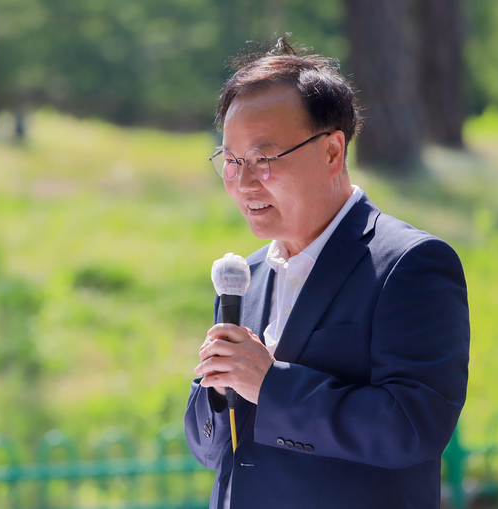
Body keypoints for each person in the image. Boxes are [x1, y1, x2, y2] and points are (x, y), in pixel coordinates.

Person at [184, 38, 470, 509]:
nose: (245, 182)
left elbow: (413, 427)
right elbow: (211, 450)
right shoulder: (244, 276)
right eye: (232, 161)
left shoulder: (410, 263)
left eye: (264, 158)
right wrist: (219, 389)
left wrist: (270, 385)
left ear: (333, 151)